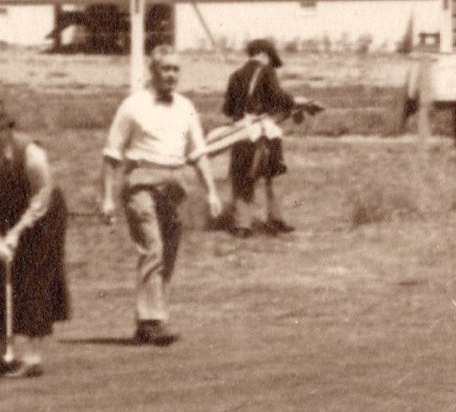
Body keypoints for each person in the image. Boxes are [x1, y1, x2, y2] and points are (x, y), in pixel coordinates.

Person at [102, 52, 226, 345]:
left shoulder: (185, 107)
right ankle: (152, 319)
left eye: (175, 70)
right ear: (153, 70)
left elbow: (197, 153)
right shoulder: (133, 106)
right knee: (152, 248)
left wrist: (211, 191)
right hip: (140, 181)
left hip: (174, 183)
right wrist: (107, 197)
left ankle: (150, 321)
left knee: (168, 252)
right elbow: (111, 154)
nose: (171, 75)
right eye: (165, 69)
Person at [0, 98, 68, 375]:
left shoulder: (31, 153)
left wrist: (16, 233)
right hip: (6, 211)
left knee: (33, 277)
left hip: (43, 213)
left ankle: (33, 359)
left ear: (8, 128)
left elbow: (42, 196)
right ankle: (4, 354)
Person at [219, 39, 308, 234]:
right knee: (271, 176)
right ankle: (275, 219)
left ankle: (242, 225)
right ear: (265, 54)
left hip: (240, 132)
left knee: (242, 176)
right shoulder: (267, 71)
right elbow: (278, 97)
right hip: (262, 133)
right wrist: (295, 101)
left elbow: (227, 109)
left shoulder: (235, 75)